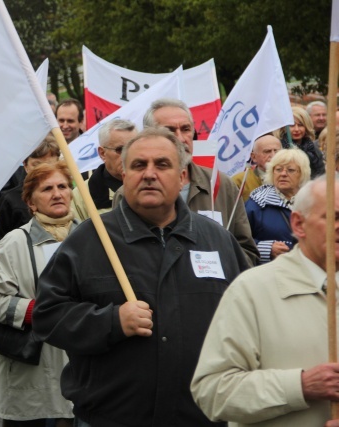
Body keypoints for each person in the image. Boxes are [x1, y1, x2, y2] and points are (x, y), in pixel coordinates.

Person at [33, 127, 248, 426]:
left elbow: (250, 318)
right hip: (111, 419)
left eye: (162, 165)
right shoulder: (89, 240)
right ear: (124, 174)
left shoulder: (216, 240)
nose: (149, 174)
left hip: (202, 416)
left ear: (182, 176)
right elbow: (47, 316)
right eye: (138, 165)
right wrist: (111, 321)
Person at [191, 174, 339, 427]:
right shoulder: (251, 290)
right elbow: (213, 392)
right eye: (333, 217)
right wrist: (300, 386)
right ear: (299, 224)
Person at [0, 161, 76, 427]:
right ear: (31, 203)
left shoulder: (91, 237)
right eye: (47, 189)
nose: (57, 193)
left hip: (79, 372)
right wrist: (37, 311)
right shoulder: (13, 244)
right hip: (32, 374)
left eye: (62, 186)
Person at [140, 98, 260, 266]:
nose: (181, 138)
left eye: (186, 129)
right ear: (149, 136)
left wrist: (219, 269)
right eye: (169, 130)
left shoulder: (222, 185)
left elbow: (247, 252)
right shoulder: (133, 191)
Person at [0, 135, 60, 249]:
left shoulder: (67, 194)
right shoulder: (11, 200)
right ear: (25, 165)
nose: (42, 172)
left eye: (49, 166)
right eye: (36, 165)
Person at [245, 149, 310, 264]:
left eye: (290, 170)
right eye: (278, 169)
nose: (283, 174)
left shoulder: (313, 202)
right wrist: (266, 249)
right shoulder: (257, 204)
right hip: (271, 272)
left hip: (307, 272)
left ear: (302, 173)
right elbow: (239, 240)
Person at [71, 119, 137, 220]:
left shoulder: (152, 186)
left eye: (133, 148)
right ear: (102, 153)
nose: (128, 155)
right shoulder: (81, 195)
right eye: (120, 150)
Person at [231, 134, 282, 202]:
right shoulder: (240, 181)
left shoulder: (293, 177)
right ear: (254, 157)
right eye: (267, 151)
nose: (273, 155)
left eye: (276, 151)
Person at [279, 106, 325, 178]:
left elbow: (321, 174)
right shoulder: (279, 148)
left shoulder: (314, 149)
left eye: (300, 125)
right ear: (284, 128)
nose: (296, 129)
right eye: (292, 125)